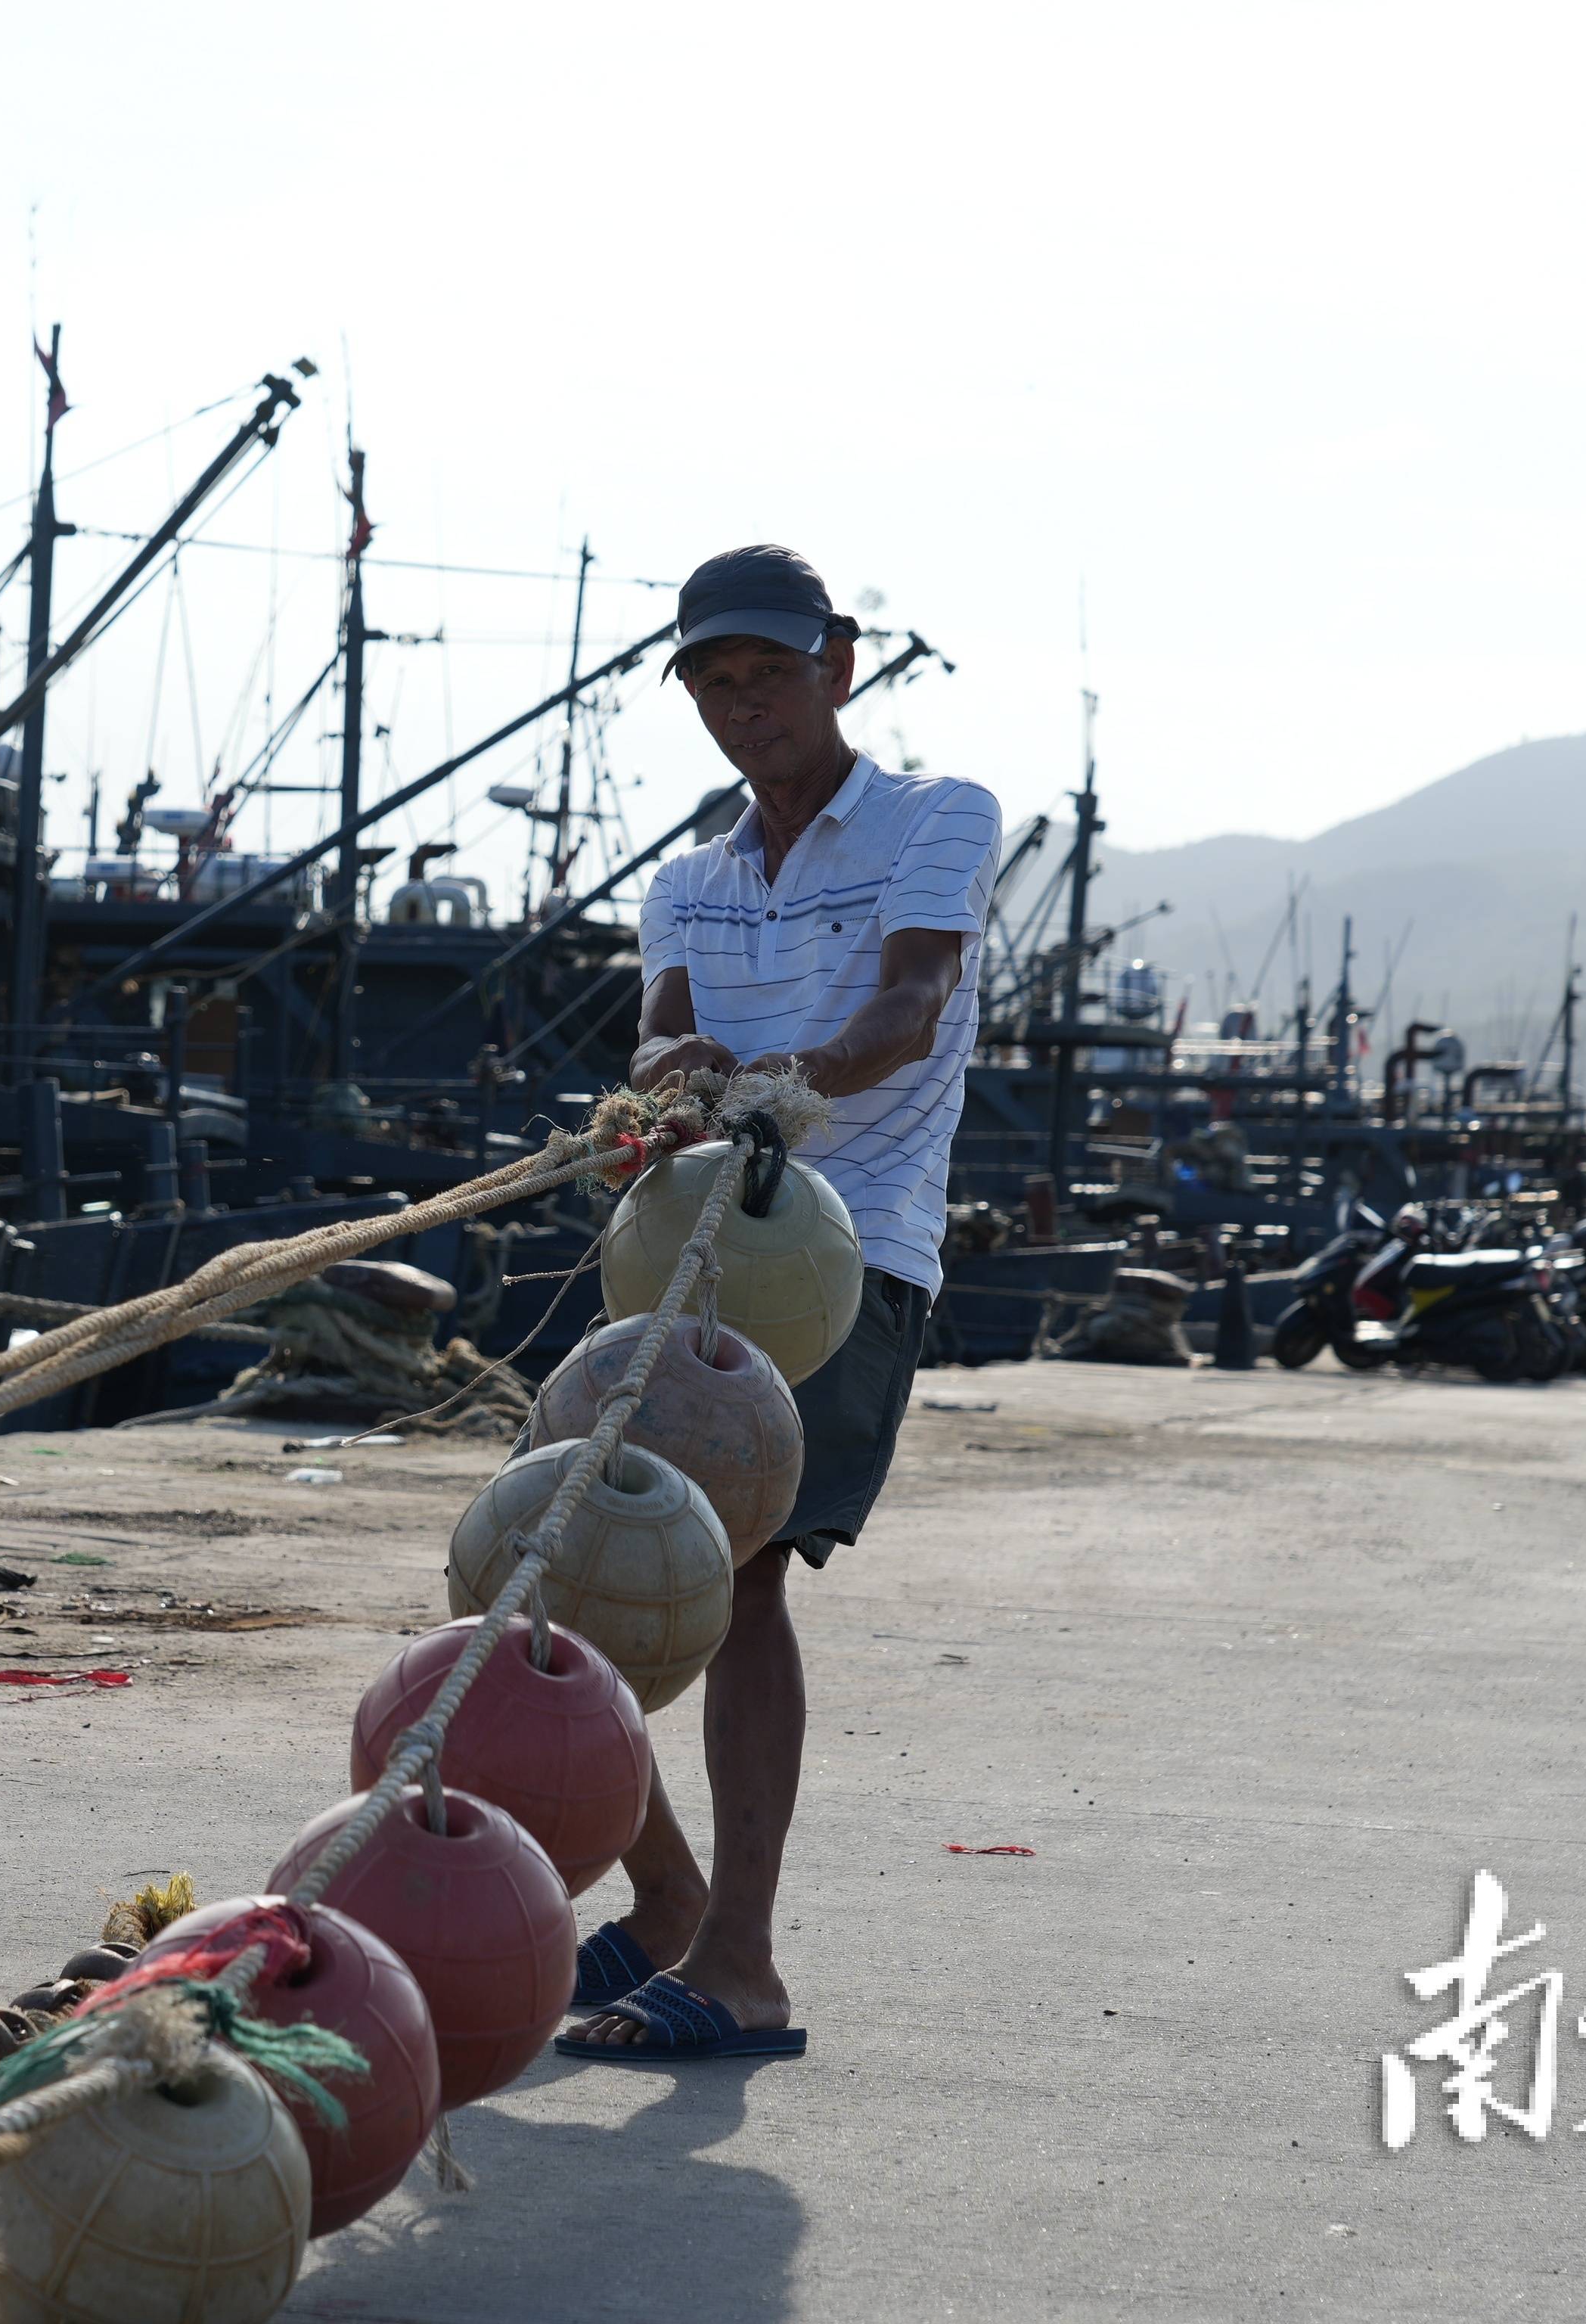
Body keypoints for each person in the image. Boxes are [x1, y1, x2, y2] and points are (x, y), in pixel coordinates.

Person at [555, 543, 1001, 2062]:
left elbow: (906, 1009)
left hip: (847, 1255)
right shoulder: (688, 880)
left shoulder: (940, 820)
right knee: (565, 1555)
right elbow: (657, 1041)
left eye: (768, 673)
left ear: (841, 663)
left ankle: (741, 1967)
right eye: (713, 684)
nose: (742, 706)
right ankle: (665, 1893)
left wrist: (778, 1093)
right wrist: (671, 1086)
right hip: (673, 1256)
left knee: (739, 1578)